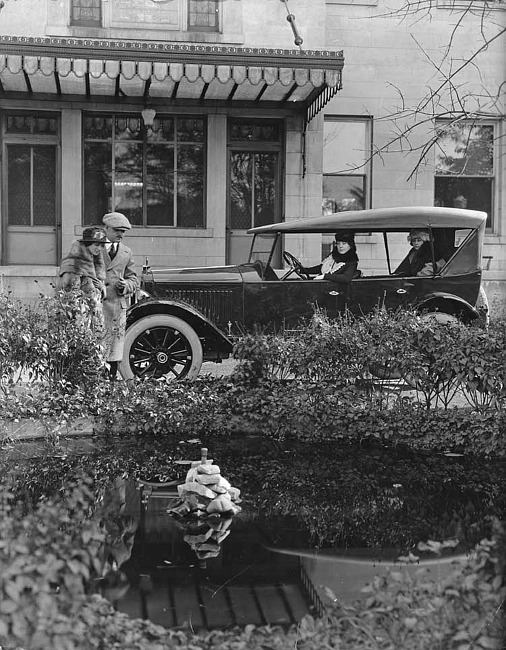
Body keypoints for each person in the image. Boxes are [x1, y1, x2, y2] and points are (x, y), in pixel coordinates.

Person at [102, 212, 139, 380]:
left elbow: (134, 279)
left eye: (123, 231)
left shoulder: (126, 252)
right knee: (97, 347)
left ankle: (109, 385)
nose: (121, 234)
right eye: (117, 230)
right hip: (97, 307)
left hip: (117, 308)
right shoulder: (94, 248)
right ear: (106, 228)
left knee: (115, 350)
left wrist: (126, 286)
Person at [58, 226, 107, 324]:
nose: (99, 248)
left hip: (92, 317)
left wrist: (102, 289)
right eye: (96, 244)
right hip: (78, 317)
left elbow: (97, 293)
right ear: (87, 244)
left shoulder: (96, 264)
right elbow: (70, 296)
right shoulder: (73, 265)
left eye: (102, 245)